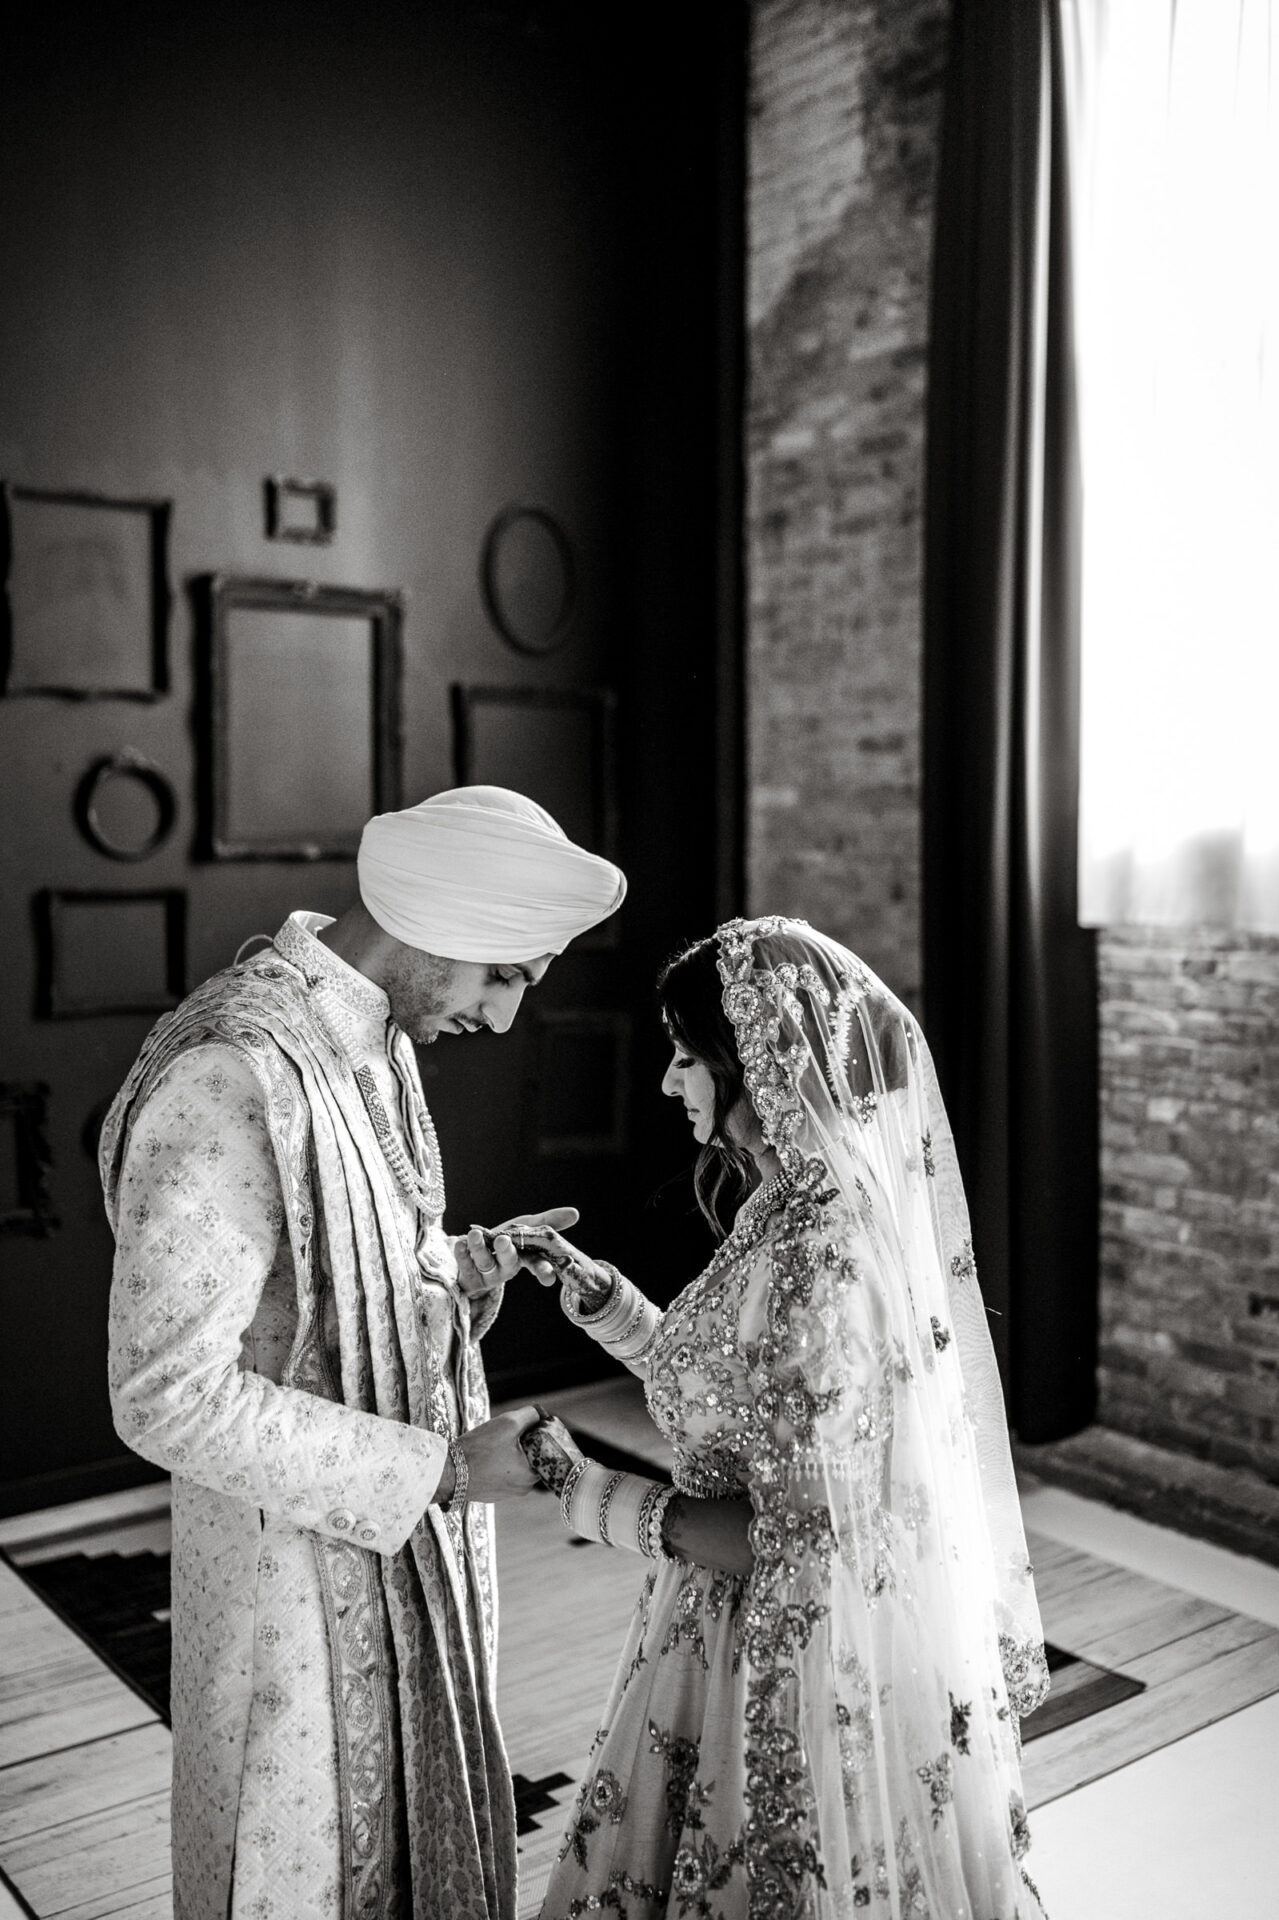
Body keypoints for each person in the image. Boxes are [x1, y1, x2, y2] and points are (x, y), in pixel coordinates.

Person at [101, 785, 626, 1920]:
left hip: (405, 1557)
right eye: (505, 978)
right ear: (439, 920)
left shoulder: (375, 1040)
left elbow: (347, 1269)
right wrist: (438, 1472)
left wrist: (452, 1275)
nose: (498, 1020)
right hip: (291, 1585)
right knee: (298, 1875)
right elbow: (166, 1397)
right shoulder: (235, 1072)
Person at [511, 916, 1051, 1919]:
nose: (670, 1082)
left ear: (753, 1056)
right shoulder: (788, 1203)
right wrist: (606, 1303)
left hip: (774, 1657)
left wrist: (569, 1484)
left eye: (684, 1055)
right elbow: (741, 1390)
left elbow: (788, 1549)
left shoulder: (821, 1247)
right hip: (719, 1625)